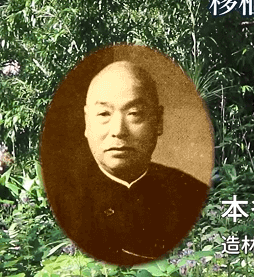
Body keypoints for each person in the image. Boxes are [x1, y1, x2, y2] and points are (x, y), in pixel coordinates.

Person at [51, 60, 209, 266]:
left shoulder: (192, 194)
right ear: (87, 122)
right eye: (104, 114)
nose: (118, 131)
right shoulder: (60, 199)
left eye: (134, 114)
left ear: (158, 121)